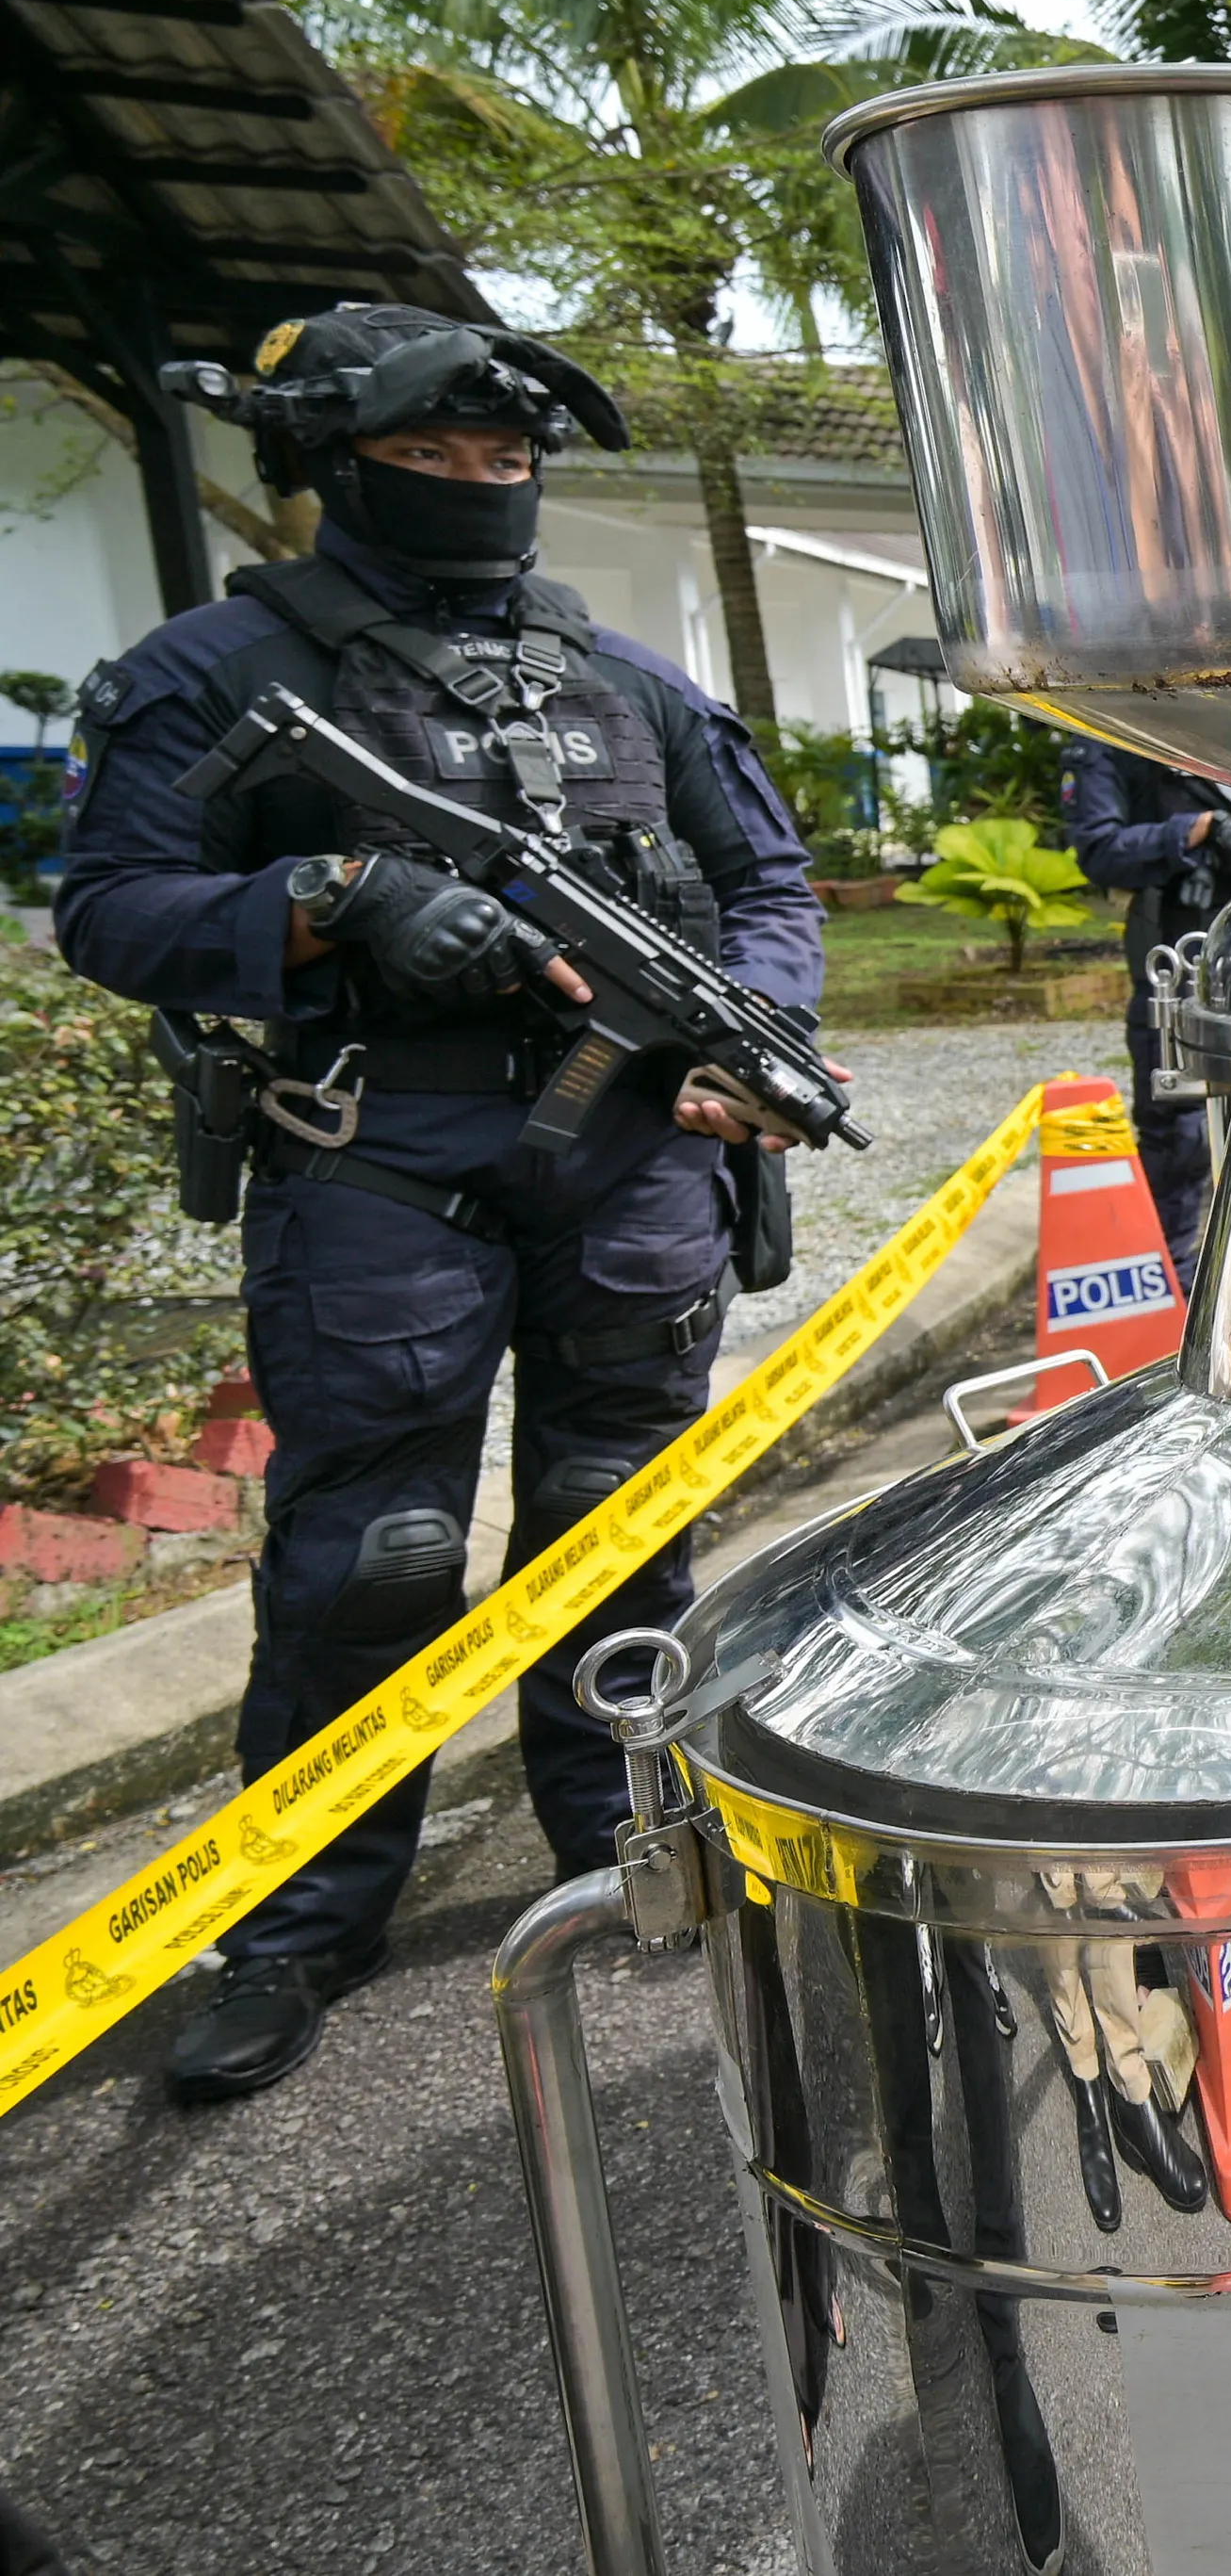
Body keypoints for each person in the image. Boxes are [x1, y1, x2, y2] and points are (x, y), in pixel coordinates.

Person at [57, 303, 827, 2102]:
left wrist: (751, 1037)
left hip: (628, 1148)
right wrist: (330, 897)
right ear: (332, 465)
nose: (482, 489)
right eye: (433, 459)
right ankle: (299, 1920)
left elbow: (763, 875)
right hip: (371, 1157)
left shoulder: (629, 677)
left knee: (612, 1514)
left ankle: (616, 1838)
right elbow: (110, 904)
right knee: (369, 1554)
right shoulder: (215, 668)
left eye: (510, 461)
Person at [1060, 742, 1231, 1278]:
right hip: (1180, 967)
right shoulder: (1111, 741)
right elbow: (1099, 849)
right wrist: (1195, 829)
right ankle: (1173, 1289)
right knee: (1177, 1135)